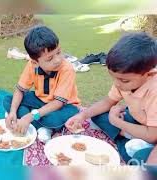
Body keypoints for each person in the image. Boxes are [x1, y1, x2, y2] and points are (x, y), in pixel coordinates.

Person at [66, 32, 157, 164]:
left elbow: (153, 135)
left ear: (149, 75)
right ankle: (127, 137)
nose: (117, 84)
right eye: (113, 77)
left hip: (152, 132)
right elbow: (107, 101)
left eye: (124, 81)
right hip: (137, 121)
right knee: (97, 115)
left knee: (137, 158)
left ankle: (126, 143)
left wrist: (116, 121)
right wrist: (82, 115)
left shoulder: (154, 92)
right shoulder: (124, 81)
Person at [3, 26, 80, 138]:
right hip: (40, 100)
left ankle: (34, 122)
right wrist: (13, 112)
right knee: (8, 100)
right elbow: (20, 90)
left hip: (65, 106)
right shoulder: (31, 66)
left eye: (58, 52)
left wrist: (30, 116)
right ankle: (35, 122)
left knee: (53, 120)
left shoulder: (66, 68)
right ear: (35, 62)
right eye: (50, 58)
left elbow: (58, 103)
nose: (58, 60)